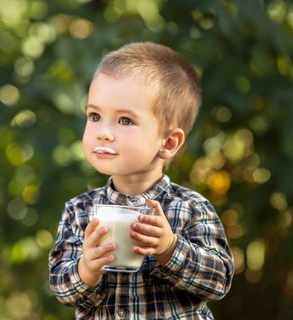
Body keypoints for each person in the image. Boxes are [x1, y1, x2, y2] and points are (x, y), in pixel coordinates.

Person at [48, 42, 234, 319]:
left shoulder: (191, 208)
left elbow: (218, 282)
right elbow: (62, 289)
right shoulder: (79, 211)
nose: (104, 133)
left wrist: (170, 248)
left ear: (168, 142)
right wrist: (86, 268)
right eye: (95, 116)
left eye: (124, 120)